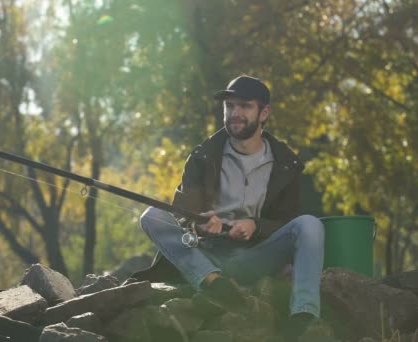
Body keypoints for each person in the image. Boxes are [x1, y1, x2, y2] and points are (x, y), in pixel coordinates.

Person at [132, 75, 324, 340]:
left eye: (244, 106)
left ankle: (302, 315)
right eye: (230, 106)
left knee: (311, 225)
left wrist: (256, 227)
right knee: (152, 215)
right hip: (206, 253)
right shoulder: (202, 156)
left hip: (256, 257)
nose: (235, 113)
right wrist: (198, 222)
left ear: (264, 112)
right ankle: (214, 284)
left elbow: (290, 219)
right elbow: (182, 210)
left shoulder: (286, 165)